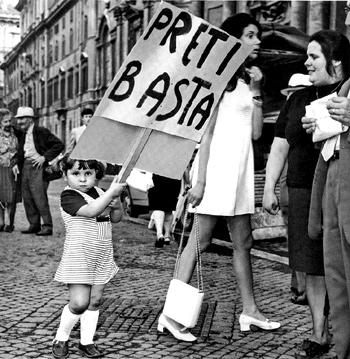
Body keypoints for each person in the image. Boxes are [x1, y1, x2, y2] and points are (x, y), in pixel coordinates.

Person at [157, 13, 280, 343]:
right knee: (200, 240)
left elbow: (255, 133)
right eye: (250, 35)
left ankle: (250, 311)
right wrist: (199, 182)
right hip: (215, 171)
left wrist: (256, 90)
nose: (257, 41)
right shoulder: (215, 79)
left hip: (239, 171)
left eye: (258, 35)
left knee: (245, 243)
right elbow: (206, 135)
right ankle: (170, 315)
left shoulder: (246, 81)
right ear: (234, 39)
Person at [264, 30, 349, 359]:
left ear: (335, 61)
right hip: (301, 188)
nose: (307, 62)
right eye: (308, 56)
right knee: (310, 264)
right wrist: (270, 185)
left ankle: (343, 332)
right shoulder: (297, 98)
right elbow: (279, 143)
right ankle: (319, 332)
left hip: (339, 187)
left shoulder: (346, 93)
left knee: (339, 263)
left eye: (315, 56)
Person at [302, 29, 350, 359]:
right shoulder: (343, 89)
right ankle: (344, 347)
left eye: (314, 56)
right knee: (338, 276)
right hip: (336, 186)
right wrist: (321, 132)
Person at [52, 156, 126, 359]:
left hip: (101, 254)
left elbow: (116, 218)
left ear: (96, 175)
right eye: (76, 173)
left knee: (94, 301)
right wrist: (111, 192)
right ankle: (61, 337)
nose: (82, 179)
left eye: (88, 174)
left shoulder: (101, 192)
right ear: (66, 176)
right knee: (78, 303)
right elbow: (92, 210)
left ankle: (87, 342)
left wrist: (117, 203)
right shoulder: (69, 196)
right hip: (79, 256)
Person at [279, 73, 312, 306]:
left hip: (298, 185)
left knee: (300, 238)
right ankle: (299, 287)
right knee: (295, 238)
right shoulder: (288, 115)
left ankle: (303, 288)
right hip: (289, 187)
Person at [15, 106, 64, 236]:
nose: (19, 122)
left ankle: (47, 226)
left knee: (39, 197)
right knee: (27, 197)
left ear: (30, 119)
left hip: (38, 168)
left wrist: (44, 158)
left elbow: (59, 145)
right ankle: (34, 224)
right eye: (18, 119)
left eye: (22, 119)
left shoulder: (41, 131)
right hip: (25, 166)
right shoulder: (22, 133)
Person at [147, 174, 181, 247]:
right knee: (169, 210)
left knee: (159, 208)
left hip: (160, 178)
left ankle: (159, 234)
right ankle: (167, 235)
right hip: (175, 181)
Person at [0, 109, 19, 232]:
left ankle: (10, 223)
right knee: (0, 197)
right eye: (5, 121)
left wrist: (16, 163)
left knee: (11, 198)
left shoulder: (16, 134)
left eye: (9, 121)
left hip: (11, 169)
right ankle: (1, 222)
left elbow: (19, 151)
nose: (8, 124)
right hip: (0, 168)